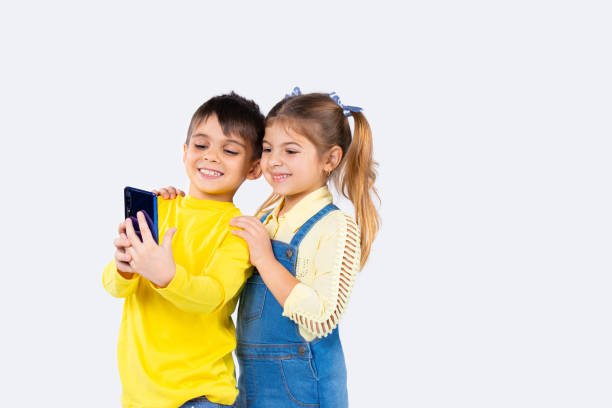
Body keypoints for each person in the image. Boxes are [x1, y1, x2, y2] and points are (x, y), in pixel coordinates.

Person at [102, 92, 264, 408]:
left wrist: (167, 276)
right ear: (185, 151)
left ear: (254, 168)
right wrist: (123, 266)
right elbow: (113, 287)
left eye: (229, 150)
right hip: (139, 397)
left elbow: (212, 296)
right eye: (201, 145)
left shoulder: (238, 231)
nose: (212, 156)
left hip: (200, 395)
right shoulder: (159, 208)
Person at [229, 87, 380, 408]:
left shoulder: (336, 227)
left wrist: (265, 259)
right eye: (268, 149)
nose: (274, 161)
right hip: (252, 383)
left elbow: (323, 318)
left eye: (291, 151)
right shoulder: (266, 217)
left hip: (303, 389)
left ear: (330, 159)